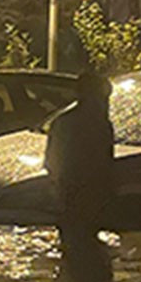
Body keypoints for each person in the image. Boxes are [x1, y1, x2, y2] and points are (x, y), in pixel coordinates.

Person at [44, 71, 114, 243]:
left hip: (68, 190)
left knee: (72, 241)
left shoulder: (62, 121)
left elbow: (51, 159)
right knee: (86, 241)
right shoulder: (99, 123)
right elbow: (105, 159)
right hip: (87, 190)